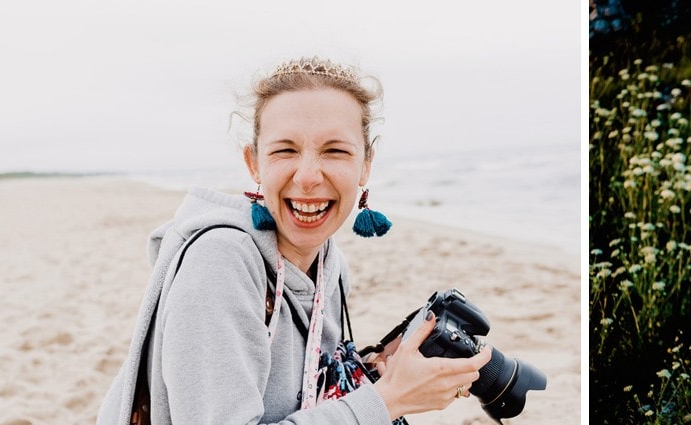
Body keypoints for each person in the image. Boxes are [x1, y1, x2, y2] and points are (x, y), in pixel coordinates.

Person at [98, 57, 491, 424]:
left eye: (335, 151)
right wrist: (386, 401)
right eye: (285, 150)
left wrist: (374, 371)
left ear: (365, 165)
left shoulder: (331, 267)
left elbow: (302, 395)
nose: (307, 176)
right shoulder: (219, 263)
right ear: (254, 163)